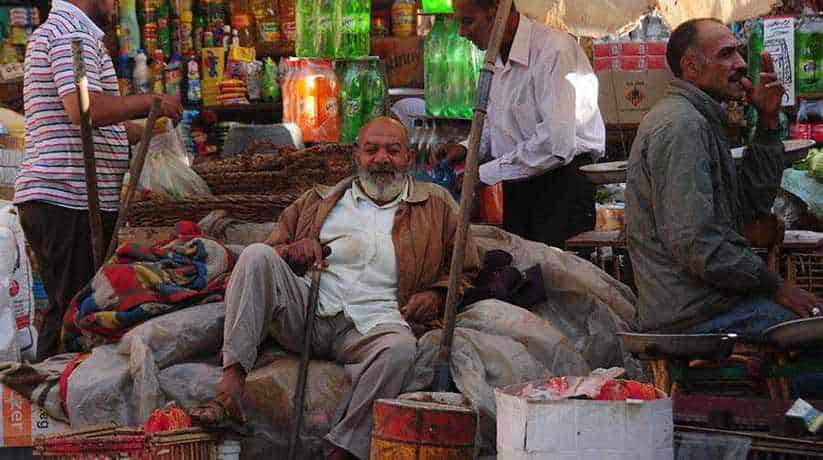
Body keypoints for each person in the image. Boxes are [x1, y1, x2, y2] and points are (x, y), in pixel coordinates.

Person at [190, 117, 480, 460]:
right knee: (255, 255)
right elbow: (275, 248)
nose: (382, 159)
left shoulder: (437, 205)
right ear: (356, 157)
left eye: (392, 150)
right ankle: (231, 391)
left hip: (374, 323)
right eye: (371, 150)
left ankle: (342, 449)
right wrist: (293, 251)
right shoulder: (319, 199)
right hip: (310, 309)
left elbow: (467, 268)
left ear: (409, 159)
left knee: (401, 351)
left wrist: (436, 294)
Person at [626, 19, 823, 343]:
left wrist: (769, 122)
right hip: (695, 314)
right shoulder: (682, 126)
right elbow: (696, 243)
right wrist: (776, 285)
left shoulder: (700, 119)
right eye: (726, 54)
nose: (742, 64)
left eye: (739, 53)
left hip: (713, 303)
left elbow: (748, 206)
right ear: (691, 67)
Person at [14, 0, 183, 360]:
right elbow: (82, 108)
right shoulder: (70, 31)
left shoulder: (71, 31)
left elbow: (102, 121)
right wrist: (151, 101)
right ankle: (53, 397)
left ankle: (51, 396)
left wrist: (151, 129)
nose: (115, 3)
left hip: (67, 198)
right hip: (67, 196)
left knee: (68, 310)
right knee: (74, 317)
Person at [439, 0, 605, 249]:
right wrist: (467, 147)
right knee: (523, 277)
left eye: (467, 21)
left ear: (495, 12)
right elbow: (497, 124)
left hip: (561, 189)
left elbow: (555, 145)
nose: (462, 33)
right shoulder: (494, 59)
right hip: (519, 187)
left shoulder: (554, 51)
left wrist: (483, 174)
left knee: (558, 280)